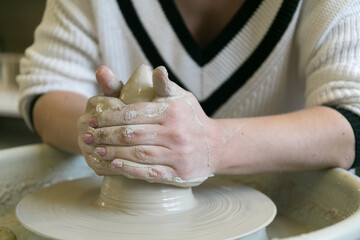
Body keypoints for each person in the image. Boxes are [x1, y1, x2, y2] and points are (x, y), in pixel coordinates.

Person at [17, 0, 360, 185]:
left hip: (277, 203)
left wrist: (212, 144)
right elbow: (46, 88)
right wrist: (107, 128)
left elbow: (351, 118)